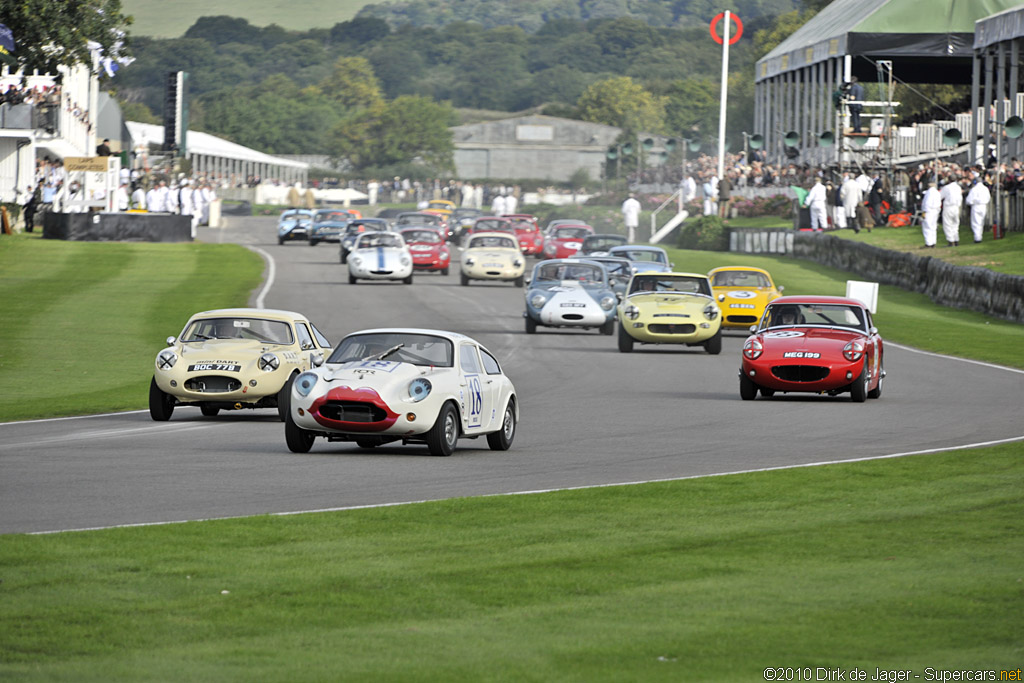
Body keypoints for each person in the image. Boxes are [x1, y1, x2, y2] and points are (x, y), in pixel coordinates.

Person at [964, 173, 991, 243]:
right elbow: (988, 198)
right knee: (981, 222)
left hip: (976, 206)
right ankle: (979, 236)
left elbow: (969, 200)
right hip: (983, 206)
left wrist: (972, 202)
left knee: (976, 222)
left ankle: (977, 238)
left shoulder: (974, 189)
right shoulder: (985, 189)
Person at [938, 176, 963, 247]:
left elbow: (940, 196)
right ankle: (956, 239)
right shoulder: (958, 187)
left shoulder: (947, 187)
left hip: (949, 207)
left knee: (948, 224)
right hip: (956, 207)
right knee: (955, 224)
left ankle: (950, 241)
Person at [920, 181, 941, 248]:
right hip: (935, 211)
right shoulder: (937, 192)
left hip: (929, 211)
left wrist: (924, 212)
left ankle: (928, 243)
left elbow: (927, 203)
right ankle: (933, 242)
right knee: (933, 226)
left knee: (927, 227)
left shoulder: (929, 193)